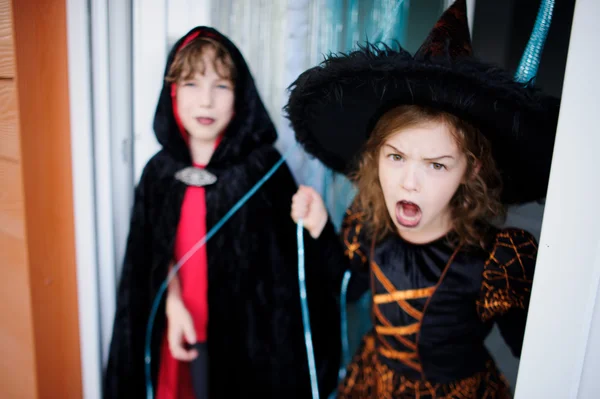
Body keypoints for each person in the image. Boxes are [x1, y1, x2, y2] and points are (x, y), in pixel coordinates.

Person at [286, 0, 559, 397]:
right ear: (375, 155)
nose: (409, 183)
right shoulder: (369, 224)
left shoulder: (495, 261)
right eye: (396, 157)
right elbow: (349, 288)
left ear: (471, 170)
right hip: (372, 380)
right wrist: (321, 228)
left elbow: (538, 354)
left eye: (436, 165)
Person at [103, 26, 340, 399]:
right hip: (178, 328)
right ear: (173, 92)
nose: (206, 102)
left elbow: (298, 268)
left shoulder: (264, 169)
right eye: (192, 84)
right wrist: (172, 300)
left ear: (241, 96)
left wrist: (317, 226)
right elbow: (145, 257)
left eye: (222, 86)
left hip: (246, 343)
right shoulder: (158, 173)